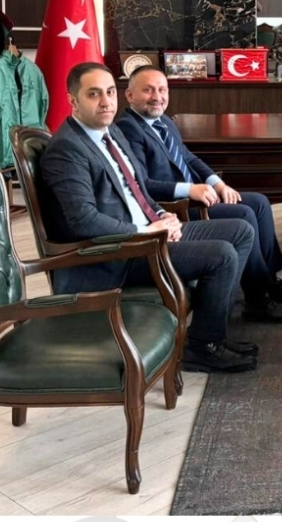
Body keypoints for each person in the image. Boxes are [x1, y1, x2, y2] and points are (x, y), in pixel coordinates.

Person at [39, 62, 259, 375]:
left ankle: (212, 330)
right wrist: (146, 231)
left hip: (146, 233)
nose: (106, 102)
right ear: (73, 100)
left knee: (241, 231)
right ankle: (202, 348)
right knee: (221, 254)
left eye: (110, 92)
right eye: (94, 94)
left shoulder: (110, 131)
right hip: (116, 253)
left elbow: (137, 189)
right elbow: (84, 221)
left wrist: (162, 215)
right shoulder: (67, 149)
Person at [116, 65, 282, 322]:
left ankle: (270, 283)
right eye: (148, 90)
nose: (157, 96)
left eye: (162, 90)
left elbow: (189, 158)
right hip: (174, 208)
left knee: (259, 203)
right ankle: (257, 300)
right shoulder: (128, 129)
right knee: (244, 214)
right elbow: (142, 185)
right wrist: (190, 189)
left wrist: (217, 183)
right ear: (129, 95)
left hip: (197, 196)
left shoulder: (163, 121)